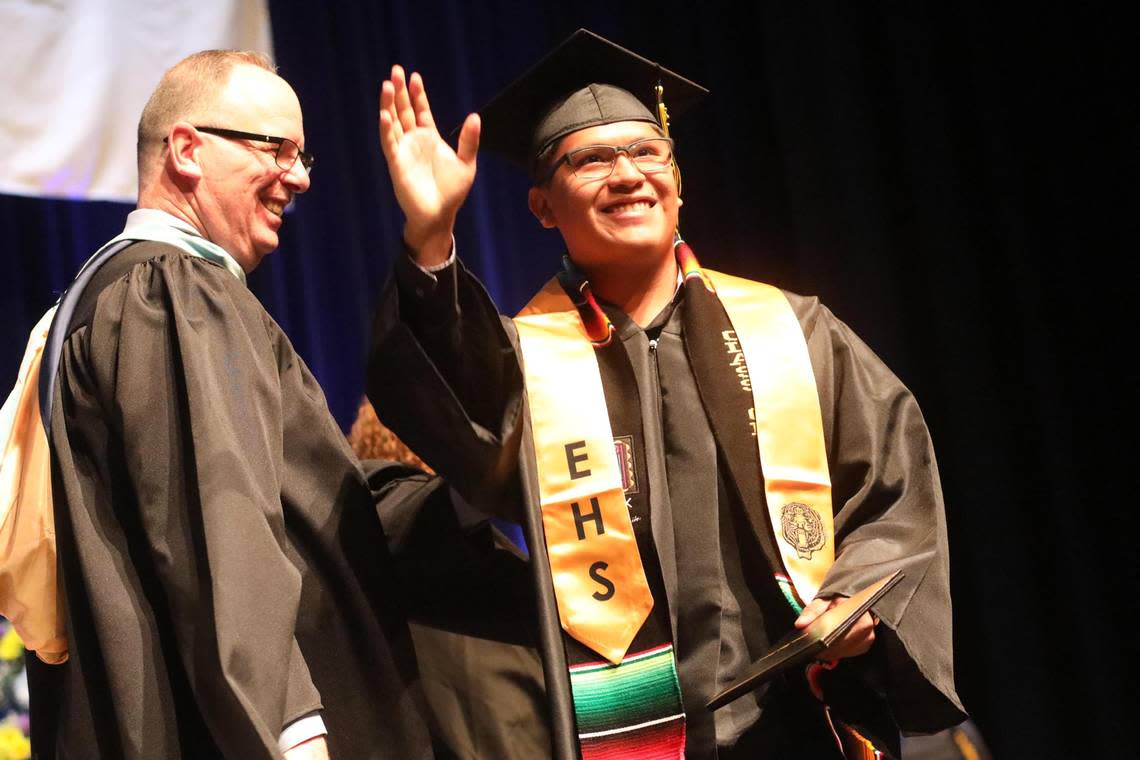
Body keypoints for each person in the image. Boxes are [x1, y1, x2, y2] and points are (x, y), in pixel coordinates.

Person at [369, 30, 967, 759]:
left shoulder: (794, 332)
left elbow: (895, 489)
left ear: (678, 182)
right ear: (542, 207)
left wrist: (856, 597)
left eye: (647, 153)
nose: (627, 175)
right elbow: (449, 406)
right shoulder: (528, 360)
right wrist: (430, 240)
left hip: (796, 724)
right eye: (590, 159)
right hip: (626, 730)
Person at [28, 50, 437, 760]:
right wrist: (291, 730)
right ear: (187, 150)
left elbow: (286, 493)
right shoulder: (171, 292)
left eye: (303, 155)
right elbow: (219, 521)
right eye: (275, 149)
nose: (301, 176)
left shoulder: (106, 295)